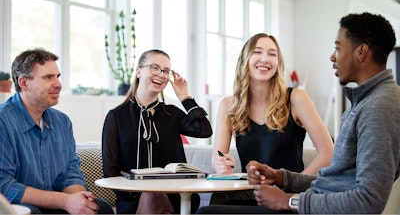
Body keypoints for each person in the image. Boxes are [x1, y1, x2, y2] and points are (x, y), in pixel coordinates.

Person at [197, 12, 400, 214]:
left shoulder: (381, 106)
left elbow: (367, 201)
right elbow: (335, 181)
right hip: (299, 198)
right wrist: (280, 177)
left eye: (338, 48)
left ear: (361, 52)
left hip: (302, 203)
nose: (331, 56)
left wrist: (289, 199)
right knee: (217, 202)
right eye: (257, 52)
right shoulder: (363, 103)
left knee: (207, 213)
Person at [209, 33, 334, 205]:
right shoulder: (228, 105)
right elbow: (219, 159)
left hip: (285, 196)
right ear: (245, 59)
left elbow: (329, 153)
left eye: (272, 54)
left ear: (278, 63)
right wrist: (222, 166)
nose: (265, 59)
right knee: (213, 205)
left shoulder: (296, 98)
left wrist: (293, 186)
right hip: (247, 192)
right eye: (257, 52)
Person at [0, 48, 113, 214]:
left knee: (100, 209)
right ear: (24, 83)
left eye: (57, 77)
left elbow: (70, 173)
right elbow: (5, 186)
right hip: (18, 204)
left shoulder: (62, 121)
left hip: (56, 203)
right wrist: (65, 201)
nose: (58, 84)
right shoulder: (3, 121)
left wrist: (79, 200)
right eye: (48, 77)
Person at [102, 49, 213, 214]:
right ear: (139, 71)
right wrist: (140, 193)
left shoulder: (173, 114)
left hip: (176, 196)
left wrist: (185, 97)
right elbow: (110, 171)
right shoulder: (116, 117)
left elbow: (204, 130)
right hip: (133, 199)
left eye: (166, 71)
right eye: (155, 68)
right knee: (150, 198)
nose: (161, 74)